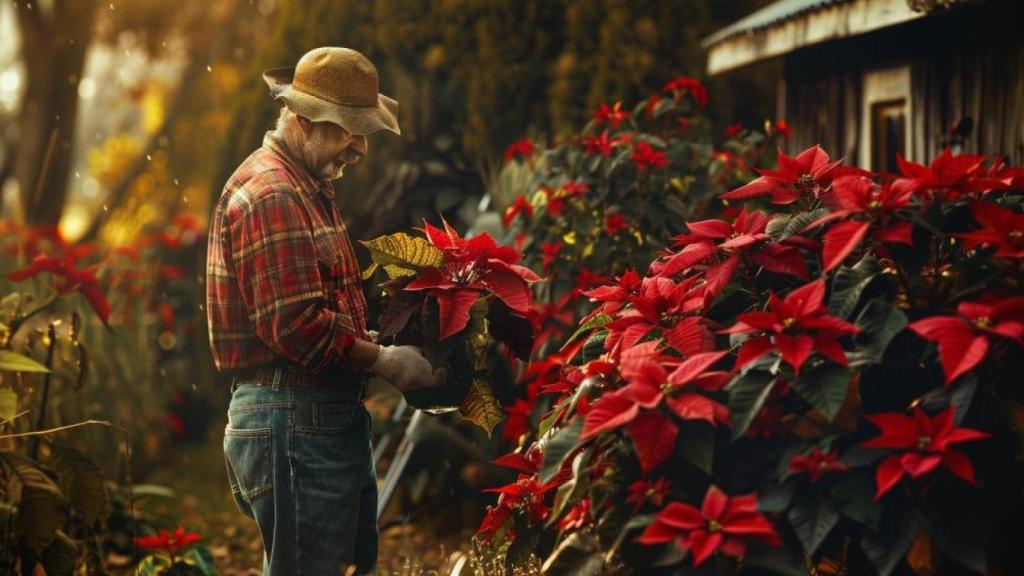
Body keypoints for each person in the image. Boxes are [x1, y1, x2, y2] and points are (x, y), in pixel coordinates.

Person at [205, 46, 444, 575]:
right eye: (348, 129)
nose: (360, 146)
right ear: (303, 119)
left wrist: (392, 327)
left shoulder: (307, 184)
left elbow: (317, 305)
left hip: (310, 416)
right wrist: (384, 361)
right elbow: (294, 326)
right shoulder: (274, 194)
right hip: (292, 417)